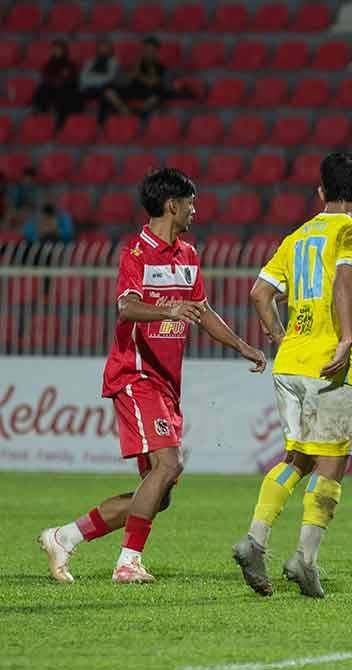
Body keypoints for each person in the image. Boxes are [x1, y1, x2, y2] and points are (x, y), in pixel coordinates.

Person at [37, 168, 267, 584]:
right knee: (168, 463)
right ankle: (128, 562)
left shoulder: (188, 255)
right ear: (171, 205)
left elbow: (203, 312)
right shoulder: (136, 254)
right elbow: (126, 307)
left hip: (165, 384)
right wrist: (169, 310)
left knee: (158, 492)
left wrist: (240, 345)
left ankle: (63, 537)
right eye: (190, 203)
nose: (195, 210)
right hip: (134, 375)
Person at [233, 153, 352, 598]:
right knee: (332, 461)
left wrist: (280, 335)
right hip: (327, 363)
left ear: (320, 192)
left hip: (291, 361)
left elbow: (260, 293)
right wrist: (347, 339)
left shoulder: (296, 237)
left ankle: (255, 539)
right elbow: (344, 281)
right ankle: (305, 558)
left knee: (297, 456)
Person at [104, 36, 167, 117]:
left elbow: (152, 83)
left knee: (160, 91)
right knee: (107, 89)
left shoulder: (160, 67)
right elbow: (125, 79)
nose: (148, 53)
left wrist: (138, 75)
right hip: (133, 89)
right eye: (146, 50)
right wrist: (135, 68)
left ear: (156, 52)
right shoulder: (136, 63)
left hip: (148, 91)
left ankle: (140, 112)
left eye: (151, 50)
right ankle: (123, 110)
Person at [30, 38, 81, 126]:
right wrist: (56, 80)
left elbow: (72, 78)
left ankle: (59, 122)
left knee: (65, 94)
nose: (55, 51)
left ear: (63, 50)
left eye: (58, 49)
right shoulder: (48, 64)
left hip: (66, 88)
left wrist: (60, 80)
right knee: (42, 88)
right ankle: (40, 114)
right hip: (51, 87)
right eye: (54, 49)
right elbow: (46, 77)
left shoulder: (70, 64)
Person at [80, 37, 119, 122]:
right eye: (101, 47)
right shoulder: (90, 61)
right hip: (89, 89)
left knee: (107, 93)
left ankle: (102, 124)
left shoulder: (113, 62)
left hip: (104, 89)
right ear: (97, 49)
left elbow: (109, 78)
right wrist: (98, 80)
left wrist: (92, 77)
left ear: (111, 50)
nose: (103, 50)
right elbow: (83, 79)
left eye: (106, 48)